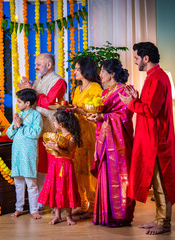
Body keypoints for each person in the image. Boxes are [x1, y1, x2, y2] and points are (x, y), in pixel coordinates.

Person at [119, 42, 175, 235]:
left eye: (137, 58)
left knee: (161, 181)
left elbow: (151, 111)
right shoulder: (153, 77)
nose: (136, 61)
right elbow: (148, 104)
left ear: (146, 59)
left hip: (157, 140)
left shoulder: (157, 78)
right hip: (151, 137)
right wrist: (136, 98)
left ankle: (163, 222)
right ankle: (159, 218)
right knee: (156, 182)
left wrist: (131, 103)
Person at [86, 58, 135, 227]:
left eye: (103, 72)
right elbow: (103, 114)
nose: (100, 74)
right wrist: (96, 118)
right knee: (105, 175)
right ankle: (105, 214)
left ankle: (120, 215)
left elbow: (125, 117)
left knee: (119, 176)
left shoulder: (124, 90)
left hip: (119, 143)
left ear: (112, 74)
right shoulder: (105, 92)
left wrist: (103, 117)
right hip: (105, 140)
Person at [18, 53, 67, 210]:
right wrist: (28, 91)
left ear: (49, 65)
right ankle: (40, 200)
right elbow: (32, 102)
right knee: (39, 166)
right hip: (36, 130)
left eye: (39, 63)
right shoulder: (38, 81)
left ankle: (54, 201)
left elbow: (49, 102)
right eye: (36, 64)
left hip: (51, 130)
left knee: (52, 166)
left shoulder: (59, 81)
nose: (36, 66)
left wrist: (31, 90)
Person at [71, 57, 102, 219]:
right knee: (78, 169)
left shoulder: (96, 87)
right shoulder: (77, 89)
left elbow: (98, 111)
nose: (74, 72)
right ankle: (82, 204)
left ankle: (94, 205)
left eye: (77, 69)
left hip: (91, 133)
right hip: (78, 133)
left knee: (90, 169)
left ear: (85, 70)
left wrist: (80, 111)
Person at [38, 110, 82, 225]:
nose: (53, 122)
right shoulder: (58, 135)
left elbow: (68, 155)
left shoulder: (71, 137)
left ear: (61, 124)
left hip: (65, 167)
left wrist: (57, 149)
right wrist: (48, 147)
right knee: (57, 190)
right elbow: (54, 152)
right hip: (55, 166)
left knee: (66, 190)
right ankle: (57, 216)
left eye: (54, 121)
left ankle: (69, 216)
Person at [6, 88, 43, 219]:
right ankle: (19, 208)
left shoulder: (36, 116)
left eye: (19, 101)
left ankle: (34, 210)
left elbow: (35, 134)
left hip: (29, 153)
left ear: (28, 103)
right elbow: (9, 134)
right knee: (18, 183)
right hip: (17, 152)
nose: (17, 104)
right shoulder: (19, 114)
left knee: (31, 183)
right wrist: (15, 125)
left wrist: (21, 126)